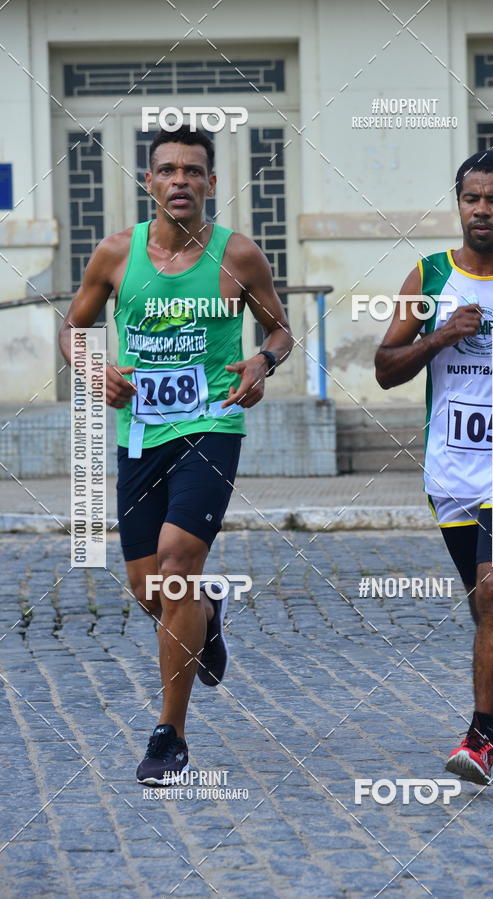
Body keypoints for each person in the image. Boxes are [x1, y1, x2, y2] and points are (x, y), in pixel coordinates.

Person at [59, 125, 292, 785]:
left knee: (177, 563)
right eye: (168, 169)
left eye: (194, 170)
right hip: (140, 434)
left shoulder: (237, 256)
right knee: (148, 588)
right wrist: (90, 366)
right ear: (150, 182)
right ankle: (208, 615)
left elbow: (281, 328)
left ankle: (170, 735)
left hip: (212, 428)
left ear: (211, 184)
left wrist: (262, 361)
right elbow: (73, 330)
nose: (181, 180)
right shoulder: (114, 255)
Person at [374, 150, 493, 785]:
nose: (481, 210)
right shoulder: (428, 277)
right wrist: (441, 335)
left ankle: (480, 739)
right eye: (470, 198)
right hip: (450, 469)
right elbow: (385, 367)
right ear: (458, 203)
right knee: (483, 602)